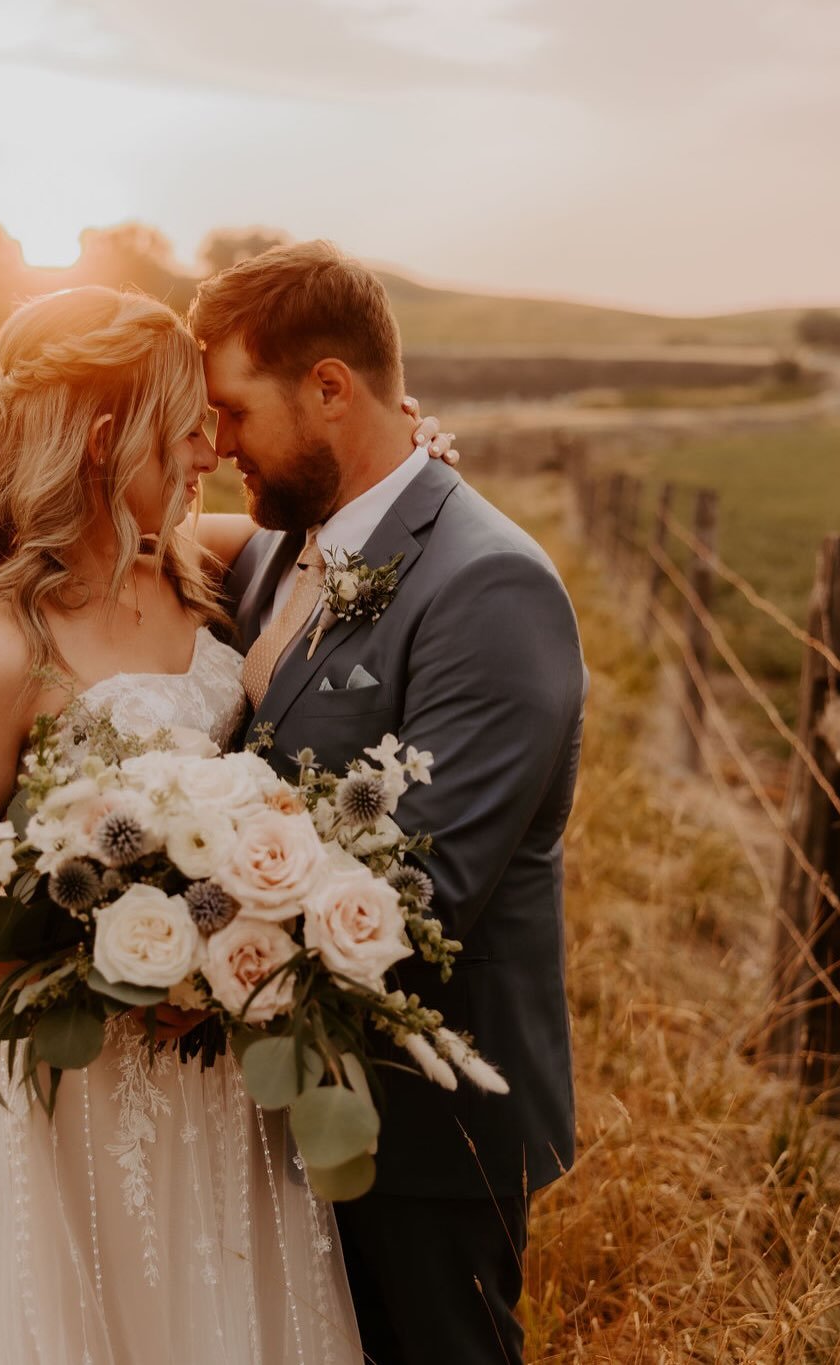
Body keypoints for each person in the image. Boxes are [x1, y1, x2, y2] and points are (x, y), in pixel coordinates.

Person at [0, 285, 367, 1364]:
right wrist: (115, 965)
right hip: (60, 1091)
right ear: (108, 440)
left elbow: (342, 531)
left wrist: (420, 458)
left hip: (211, 1080)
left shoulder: (194, 565)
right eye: (186, 424)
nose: (211, 446)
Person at [190, 240, 588, 1365]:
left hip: (422, 1129)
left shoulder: (489, 585)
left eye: (231, 412)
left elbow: (421, 886)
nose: (217, 449)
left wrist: (179, 957)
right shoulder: (280, 547)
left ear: (328, 388)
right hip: (277, 1106)